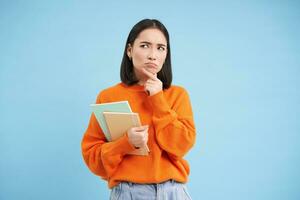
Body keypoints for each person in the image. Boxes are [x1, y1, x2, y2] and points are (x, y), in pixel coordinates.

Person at [81, 18, 196, 200]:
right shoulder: (108, 96)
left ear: (166, 54)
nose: (153, 55)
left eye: (160, 48)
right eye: (144, 46)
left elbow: (180, 146)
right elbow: (93, 159)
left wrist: (158, 99)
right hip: (128, 192)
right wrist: (126, 143)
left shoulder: (177, 95)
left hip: (173, 192)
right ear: (129, 50)